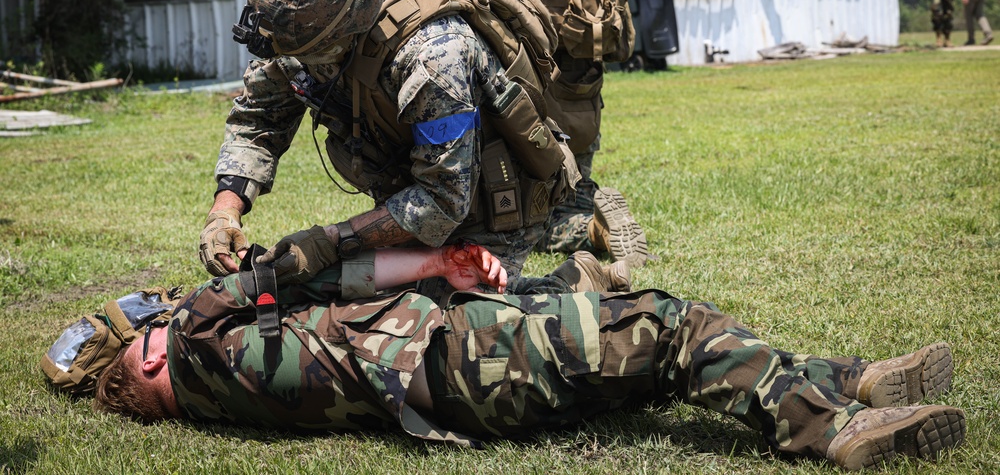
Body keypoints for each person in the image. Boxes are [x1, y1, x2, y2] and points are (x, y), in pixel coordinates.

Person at [89, 243, 965, 471]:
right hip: (463, 356)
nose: (157, 319)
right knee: (666, 326)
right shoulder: (203, 331)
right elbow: (317, 264)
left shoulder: (222, 397)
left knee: (628, 337)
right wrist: (433, 258)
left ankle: (854, 377)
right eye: (146, 338)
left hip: (462, 389)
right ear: (156, 361)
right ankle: (835, 429)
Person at [199, 0, 632, 304]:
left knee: (447, 324)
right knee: (332, 290)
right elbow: (259, 120)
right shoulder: (300, 29)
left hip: (494, 202)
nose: (285, 59)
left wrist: (331, 241)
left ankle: (578, 281)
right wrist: (225, 211)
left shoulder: (433, 54)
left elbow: (443, 200)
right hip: (411, 194)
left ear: (343, 33)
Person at [463, 0, 648, 266]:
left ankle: (594, 231)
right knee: (574, 188)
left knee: (528, 220)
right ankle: (593, 207)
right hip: (585, 99)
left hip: (531, 114)